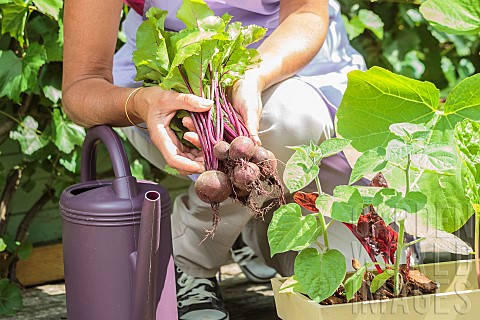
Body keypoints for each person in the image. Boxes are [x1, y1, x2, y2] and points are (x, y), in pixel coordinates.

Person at [62, 0, 367, 319]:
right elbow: (80, 87)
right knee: (285, 120)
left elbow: (306, 13)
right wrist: (139, 102)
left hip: (297, 68)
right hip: (172, 98)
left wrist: (253, 77)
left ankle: (252, 220)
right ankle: (187, 258)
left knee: (352, 281)